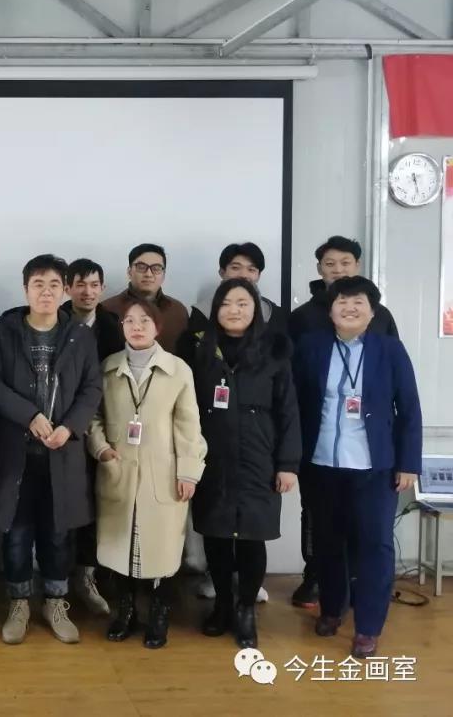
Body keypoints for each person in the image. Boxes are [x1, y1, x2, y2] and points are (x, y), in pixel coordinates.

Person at [292, 277, 421, 659]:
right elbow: (294, 403)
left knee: (374, 546)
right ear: (330, 310)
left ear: (372, 310)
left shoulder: (389, 350)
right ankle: (332, 610)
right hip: (322, 464)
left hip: (374, 467)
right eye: (342, 302)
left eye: (358, 302)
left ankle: (368, 627)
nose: (349, 308)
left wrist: (408, 463)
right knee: (328, 543)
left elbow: (409, 409)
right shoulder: (311, 346)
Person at [0, 255, 102, 646]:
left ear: (64, 290)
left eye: (53, 285)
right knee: (16, 533)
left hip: (61, 453)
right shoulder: (4, 332)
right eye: (38, 284)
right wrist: (28, 415)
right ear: (25, 289)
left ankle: (55, 602)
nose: (46, 292)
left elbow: (92, 388)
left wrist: (70, 427)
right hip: (16, 453)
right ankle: (18, 604)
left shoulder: (79, 336)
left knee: (57, 533)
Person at [178, 278, 301, 649]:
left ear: (256, 310)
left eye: (243, 303)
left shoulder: (274, 350)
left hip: (259, 457)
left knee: (251, 537)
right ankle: (223, 605)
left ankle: (246, 609)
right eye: (226, 303)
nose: (234, 310)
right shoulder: (198, 349)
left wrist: (288, 463)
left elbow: (288, 410)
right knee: (215, 535)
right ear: (216, 309)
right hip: (211, 456)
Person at [287, 235, 399, 609]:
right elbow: (291, 381)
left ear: (357, 266)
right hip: (318, 438)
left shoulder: (380, 316)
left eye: (345, 262)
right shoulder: (302, 318)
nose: (338, 269)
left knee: (367, 524)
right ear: (319, 269)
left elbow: (397, 386)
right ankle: (315, 577)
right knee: (316, 516)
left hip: (367, 445)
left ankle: (357, 586)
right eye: (330, 263)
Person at [90, 296, 207, 649]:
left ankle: (159, 614)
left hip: (163, 474)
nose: (137, 327)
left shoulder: (178, 370)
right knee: (119, 548)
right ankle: (124, 612)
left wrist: (188, 471)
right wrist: (101, 448)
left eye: (144, 321)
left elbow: (189, 426)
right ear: (122, 327)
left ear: (157, 327)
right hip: (118, 471)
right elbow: (93, 416)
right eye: (129, 321)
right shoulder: (108, 367)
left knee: (162, 551)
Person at [62, 257, 124, 616]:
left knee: (95, 507)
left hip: (103, 427)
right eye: (80, 284)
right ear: (68, 287)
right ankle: (56, 580)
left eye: (94, 285)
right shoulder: (53, 320)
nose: (87, 291)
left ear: (102, 288)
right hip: (62, 428)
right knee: (64, 505)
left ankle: (88, 576)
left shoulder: (114, 326)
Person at [101, 244, 189, 354]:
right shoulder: (107, 309)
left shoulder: (178, 311)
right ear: (129, 272)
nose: (148, 274)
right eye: (141, 267)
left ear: (163, 275)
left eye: (156, 268)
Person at [187, 243, 288, 337]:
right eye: (235, 268)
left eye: (251, 269)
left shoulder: (274, 313)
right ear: (222, 272)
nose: (243, 275)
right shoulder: (203, 312)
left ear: (258, 276)